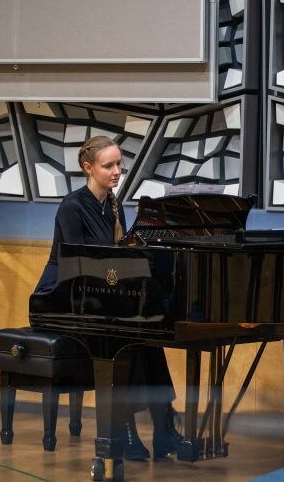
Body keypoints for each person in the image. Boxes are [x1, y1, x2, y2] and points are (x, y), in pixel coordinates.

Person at [34, 136, 182, 461]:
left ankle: (163, 427)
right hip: (61, 295)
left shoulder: (114, 205)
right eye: (109, 165)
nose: (117, 171)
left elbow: (115, 263)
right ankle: (124, 431)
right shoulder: (72, 207)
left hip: (98, 294)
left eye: (119, 164)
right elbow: (77, 265)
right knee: (125, 336)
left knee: (149, 333)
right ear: (88, 168)